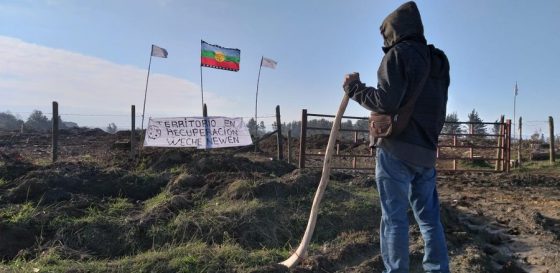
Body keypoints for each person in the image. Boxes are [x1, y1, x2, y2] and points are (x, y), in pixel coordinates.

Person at [342, 2, 450, 273]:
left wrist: (355, 88)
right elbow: (440, 106)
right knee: (429, 220)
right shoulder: (438, 60)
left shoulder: (398, 54)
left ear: (393, 32)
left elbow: (385, 102)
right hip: (426, 152)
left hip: (395, 150)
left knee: (394, 220)